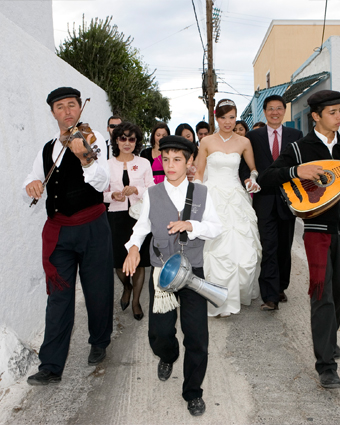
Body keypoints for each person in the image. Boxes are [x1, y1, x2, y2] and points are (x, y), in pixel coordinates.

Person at [258, 90, 340, 389]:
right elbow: (266, 179)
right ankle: (326, 364)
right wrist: (295, 171)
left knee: (339, 292)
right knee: (321, 295)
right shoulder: (300, 149)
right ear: (316, 116)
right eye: (332, 112)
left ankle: (330, 337)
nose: (339, 117)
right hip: (317, 234)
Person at [123, 136, 222, 416]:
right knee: (160, 332)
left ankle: (192, 391)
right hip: (162, 273)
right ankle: (168, 355)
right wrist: (132, 248)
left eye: (177, 159)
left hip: (193, 271)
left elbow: (216, 228)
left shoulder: (202, 193)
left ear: (190, 162)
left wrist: (192, 224)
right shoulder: (152, 194)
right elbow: (140, 229)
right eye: (166, 159)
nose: (170, 165)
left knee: (197, 336)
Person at [23, 87, 113, 385]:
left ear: (79, 108)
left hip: (92, 228)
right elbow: (33, 175)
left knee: (97, 289)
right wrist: (33, 184)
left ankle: (99, 341)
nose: (67, 111)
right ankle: (50, 365)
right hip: (59, 233)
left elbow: (102, 183)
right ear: (53, 113)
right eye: (60, 107)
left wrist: (86, 159)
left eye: (71, 105)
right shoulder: (47, 148)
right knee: (58, 297)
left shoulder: (93, 139)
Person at [194, 99, 262, 318]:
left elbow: (252, 169)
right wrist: (200, 193)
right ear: (217, 118)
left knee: (244, 248)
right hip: (212, 195)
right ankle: (215, 297)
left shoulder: (243, 142)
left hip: (235, 195)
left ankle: (236, 293)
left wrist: (252, 180)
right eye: (223, 117)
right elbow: (198, 171)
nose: (228, 122)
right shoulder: (206, 142)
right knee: (214, 250)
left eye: (232, 117)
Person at [240, 95, 303, 311]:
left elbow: (301, 166)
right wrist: (247, 180)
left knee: (284, 247)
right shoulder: (253, 136)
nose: (274, 112)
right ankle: (269, 295)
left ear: (284, 111)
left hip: (288, 199)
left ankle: (281, 286)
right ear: (264, 112)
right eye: (270, 109)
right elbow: (245, 166)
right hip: (264, 200)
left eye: (278, 108)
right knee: (268, 246)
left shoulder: (296, 135)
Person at [105, 122, 154, 321]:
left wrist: (136, 190)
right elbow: (100, 193)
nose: (127, 142)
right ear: (116, 140)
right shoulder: (107, 165)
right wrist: (112, 196)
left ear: (137, 142)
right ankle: (127, 286)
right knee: (118, 260)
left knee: (139, 260)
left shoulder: (144, 163)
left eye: (131, 139)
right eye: (123, 138)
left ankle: (135, 301)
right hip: (116, 217)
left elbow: (152, 188)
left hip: (138, 216)